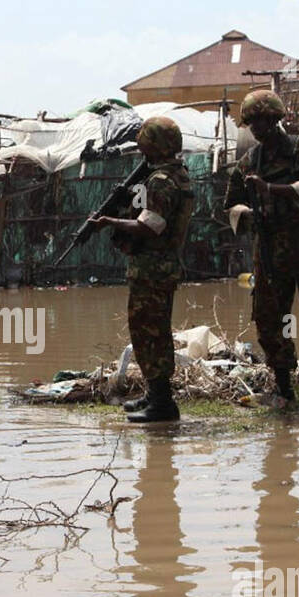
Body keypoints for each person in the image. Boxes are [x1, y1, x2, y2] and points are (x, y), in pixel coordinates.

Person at [224, 89, 299, 415]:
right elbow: (231, 205)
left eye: (263, 121)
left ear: (275, 119)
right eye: (252, 123)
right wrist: (247, 212)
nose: (258, 128)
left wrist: (271, 190)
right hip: (271, 251)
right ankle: (285, 384)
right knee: (274, 318)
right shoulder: (249, 161)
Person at [95, 116, 195, 423]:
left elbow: (151, 226)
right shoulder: (174, 175)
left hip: (154, 269)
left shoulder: (162, 181)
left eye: (146, 146)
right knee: (149, 332)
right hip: (156, 268)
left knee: (151, 333)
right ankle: (155, 395)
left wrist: (110, 222)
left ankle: (163, 404)